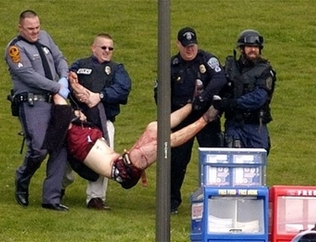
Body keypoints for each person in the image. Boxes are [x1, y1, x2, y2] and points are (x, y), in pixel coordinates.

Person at [43, 79, 220, 191]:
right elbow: (58, 96)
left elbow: (85, 97)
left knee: (153, 128)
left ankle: (193, 104)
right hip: (121, 170)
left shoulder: (80, 124)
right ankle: (206, 118)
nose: (79, 113)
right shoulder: (64, 124)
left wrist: (73, 82)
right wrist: (60, 81)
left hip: (122, 159)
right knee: (163, 143)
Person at [154, 26, 228, 214]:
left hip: (207, 118)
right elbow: (160, 93)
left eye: (193, 45)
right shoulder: (171, 65)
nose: (190, 49)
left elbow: (220, 79)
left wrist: (202, 99)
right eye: (186, 46)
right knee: (177, 161)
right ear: (178, 44)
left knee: (213, 158)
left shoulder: (207, 59)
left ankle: (216, 199)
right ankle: (171, 202)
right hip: (182, 119)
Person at [4, 10, 70, 211]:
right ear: (20, 28)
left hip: (56, 100)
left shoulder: (45, 37)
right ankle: (22, 179)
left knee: (60, 146)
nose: (35, 32)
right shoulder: (15, 49)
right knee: (39, 148)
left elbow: (60, 58)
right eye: (30, 29)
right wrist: (57, 87)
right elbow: (28, 75)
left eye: (37, 27)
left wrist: (64, 77)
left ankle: (51, 198)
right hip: (34, 103)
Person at [63, 33, 131, 210]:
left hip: (103, 123)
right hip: (78, 122)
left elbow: (123, 89)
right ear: (93, 47)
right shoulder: (79, 65)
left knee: (104, 160)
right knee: (66, 156)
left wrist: (99, 96)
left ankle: (96, 198)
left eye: (110, 48)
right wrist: (76, 90)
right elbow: (66, 85)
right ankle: (58, 188)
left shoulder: (117, 69)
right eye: (103, 47)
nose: (107, 51)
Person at [212, 29, 276, 153]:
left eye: (256, 47)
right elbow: (218, 86)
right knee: (233, 160)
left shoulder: (265, 71)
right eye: (249, 46)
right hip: (234, 124)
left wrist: (233, 103)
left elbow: (259, 97)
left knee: (257, 162)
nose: (253, 50)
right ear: (241, 49)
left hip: (256, 126)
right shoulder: (230, 68)